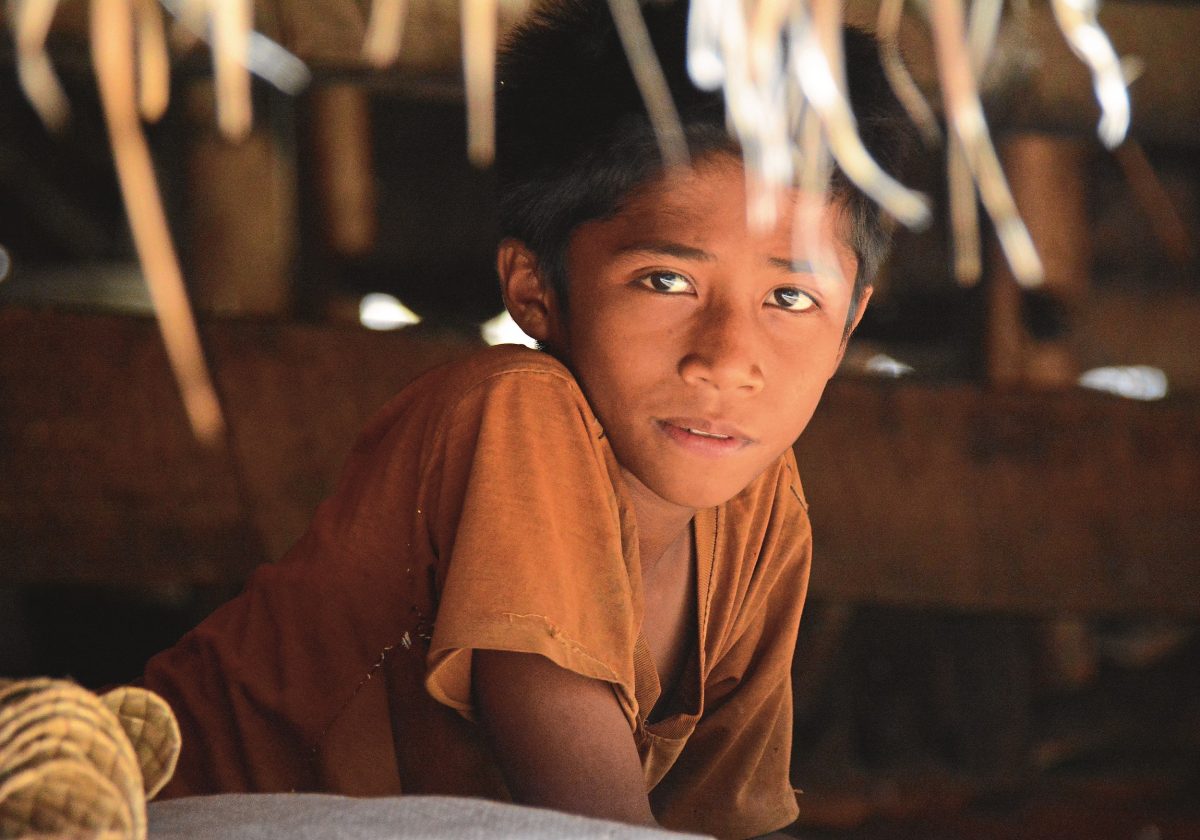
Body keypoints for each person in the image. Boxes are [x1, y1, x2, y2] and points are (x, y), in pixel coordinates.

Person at [139, 1, 912, 837]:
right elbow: (591, 824)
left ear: (848, 325)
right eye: (666, 281)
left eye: (790, 298)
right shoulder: (518, 415)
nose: (726, 359)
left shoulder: (760, 513)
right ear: (534, 290)